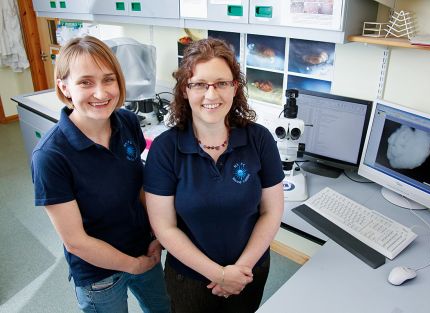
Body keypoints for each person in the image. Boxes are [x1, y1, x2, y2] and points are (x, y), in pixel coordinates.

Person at [144, 38, 285, 313]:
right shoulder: (165, 149)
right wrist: (219, 275)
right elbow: (164, 227)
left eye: (222, 83)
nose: (212, 95)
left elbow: (271, 211)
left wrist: (239, 271)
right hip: (190, 278)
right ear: (185, 90)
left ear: (235, 88)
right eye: (199, 84)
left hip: (249, 274)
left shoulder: (259, 140)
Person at [31, 36, 170, 313]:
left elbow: (138, 184)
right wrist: (132, 265)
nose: (101, 92)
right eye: (85, 82)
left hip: (144, 249)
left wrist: (157, 233)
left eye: (108, 79)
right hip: (99, 274)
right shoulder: (50, 156)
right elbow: (76, 242)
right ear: (64, 87)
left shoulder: (127, 122)